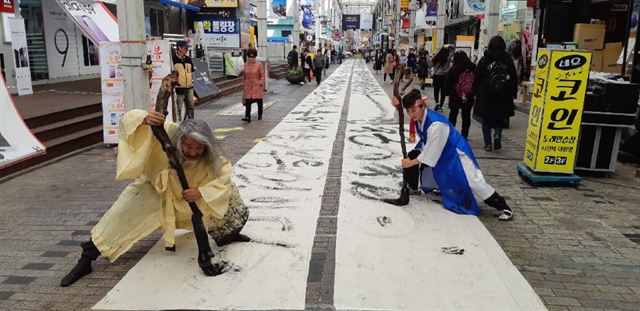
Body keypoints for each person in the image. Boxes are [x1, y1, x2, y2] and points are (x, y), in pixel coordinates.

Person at [60, 110, 250, 287]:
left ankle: (228, 233)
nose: (193, 152)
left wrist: (201, 192)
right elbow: (129, 119)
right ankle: (86, 259)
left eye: (199, 148)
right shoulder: (167, 132)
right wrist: (144, 119)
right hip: (155, 189)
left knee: (226, 194)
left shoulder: (212, 157)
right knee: (118, 217)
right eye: (188, 146)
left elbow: (223, 176)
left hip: (189, 195)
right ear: (180, 139)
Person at [390, 89, 514, 221]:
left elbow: (431, 154)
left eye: (413, 111)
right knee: (414, 154)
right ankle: (413, 187)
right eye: (408, 111)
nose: (411, 114)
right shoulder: (419, 116)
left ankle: (503, 206)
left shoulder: (436, 124)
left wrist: (411, 162)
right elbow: (401, 117)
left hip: (455, 153)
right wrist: (397, 106)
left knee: (474, 182)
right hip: (438, 150)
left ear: (422, 106)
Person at [474, 35, 518, 151]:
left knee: (486, 120)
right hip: (503, 94)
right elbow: (513, 77)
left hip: (486, 94)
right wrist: (513, 92)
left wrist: (475, 91)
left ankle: (488, 143)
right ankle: (497, 134)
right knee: (499, 118)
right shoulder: (507, 59)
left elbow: (477, 76)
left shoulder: (484, 60)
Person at [443, 51, 476, 139]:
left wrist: (446, 92)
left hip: (455, 94)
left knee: (453, 113)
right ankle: (464, 134)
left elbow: (448, 82)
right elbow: (476, 80)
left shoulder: (454, 68)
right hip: (468, 95)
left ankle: (451, 133)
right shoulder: (472, 67)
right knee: (466, 115)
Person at [173, 40, 195, 120]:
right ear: (179, 48)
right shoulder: (173, 59)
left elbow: (191, 71)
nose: (187, 50)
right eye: (185, 48)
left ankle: (191, 122)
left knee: (191, 106)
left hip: (189, 87)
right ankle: (179, 123)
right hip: (178, 88)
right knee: (178, 107)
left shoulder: (188, 59)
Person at [242, 48, 265, 122]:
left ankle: (260, 114)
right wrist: (244, 86)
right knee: (248, 102)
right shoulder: (245, 65)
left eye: (253, 56)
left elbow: (262, 75)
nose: (251, 58)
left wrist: (260, 83)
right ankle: (247, 117)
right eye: (249, 56)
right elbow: (244, 76)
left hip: (257, 86)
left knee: (259, 101)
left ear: (255, 56)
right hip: (248, 85)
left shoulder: (259, 65)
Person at [430, 46, 451, 112]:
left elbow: (430, 65)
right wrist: (449, 45)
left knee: (436, 91)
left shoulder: (436, 57)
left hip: (436, 76)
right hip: (445, 77)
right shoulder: (448, 58)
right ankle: (440, 106)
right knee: (443, 92)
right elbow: (453, 49)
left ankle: (437, 105)